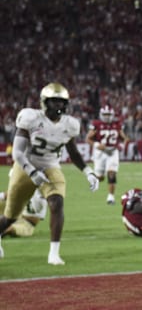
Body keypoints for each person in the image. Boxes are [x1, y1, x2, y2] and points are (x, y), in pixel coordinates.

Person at [0, 82, 100, 265]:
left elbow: (73, 152)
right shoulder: (30, 118)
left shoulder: (69, 125)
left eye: (61, 102)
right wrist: (32, 172)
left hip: (50, 166)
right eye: (54, 102)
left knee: (56, 202)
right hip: (25, 166)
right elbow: (17, 153)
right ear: (45, 102)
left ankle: (54, 253)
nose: (58, 106)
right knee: (11, 216)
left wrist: (88, 171)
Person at [86, 105, 130, 205]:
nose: (106, 116)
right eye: (105, 114)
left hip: (113, 151)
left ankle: (110, 197)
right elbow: (88, 139)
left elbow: (125, 138)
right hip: (100, 153)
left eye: (108, 114)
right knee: (100, 177)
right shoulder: (96, 124)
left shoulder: (117, 124)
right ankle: (99, 176)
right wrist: (97, 145)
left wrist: (122, 146)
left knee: (111, 173)